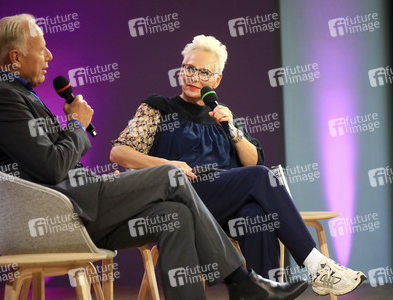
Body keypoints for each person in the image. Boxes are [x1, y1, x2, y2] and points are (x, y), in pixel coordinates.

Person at [0, 14, 309, 300]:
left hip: (78, 204)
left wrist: (70, 125)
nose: (49, 56)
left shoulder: (13, 94)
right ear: (15, 58)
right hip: (60, 214)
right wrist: (76, 124)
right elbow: (54, 165)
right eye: (41, 48)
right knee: (171, 177)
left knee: (174, 215)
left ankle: (241, 286)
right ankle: (241, 282)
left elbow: (51, 159)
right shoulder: (1, 97)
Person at [110, 34, 367, 296]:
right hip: (180, 198)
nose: (193, 77)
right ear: (181, 68)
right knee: (260, 178)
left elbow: (253, 160)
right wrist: (168, 165)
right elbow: (119, 151)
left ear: (217, 80)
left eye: (203, 72)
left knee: (257, 216)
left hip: (220, 206)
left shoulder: (221, 115)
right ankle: (317, 265)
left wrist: (233, 131)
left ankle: (266, 293)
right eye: (188, 68)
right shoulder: (158, 107)